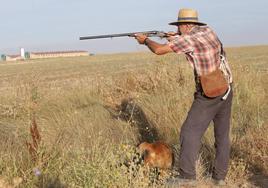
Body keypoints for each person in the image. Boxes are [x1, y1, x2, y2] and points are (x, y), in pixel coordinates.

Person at [134, 8, 233, 186]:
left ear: (186, 25)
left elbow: (159, 51)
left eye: (180, 26)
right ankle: (220, 177)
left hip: (209, 93)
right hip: (226, 86)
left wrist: (145, 40)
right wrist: (173, 36)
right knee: (222, 136)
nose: (178, 29)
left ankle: (187, 177)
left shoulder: (188, 39)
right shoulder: (207, 30)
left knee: (189, 132)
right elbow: (189, 40)